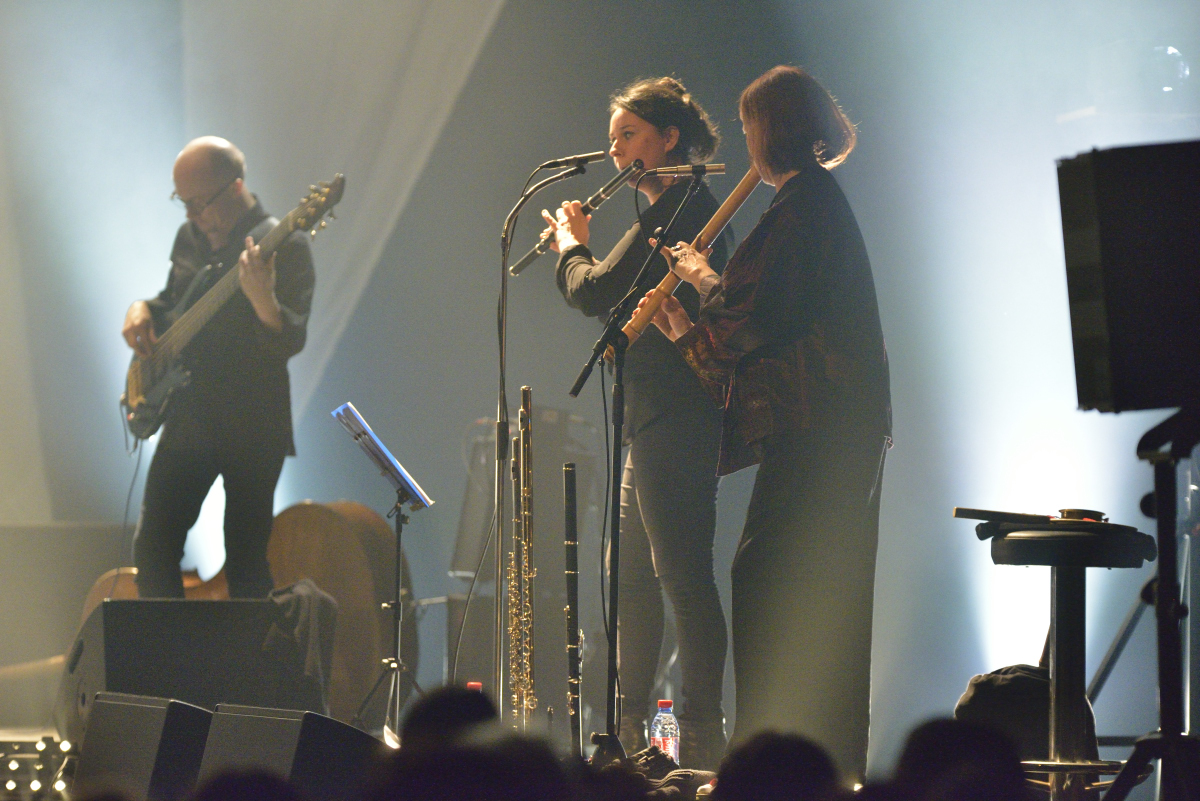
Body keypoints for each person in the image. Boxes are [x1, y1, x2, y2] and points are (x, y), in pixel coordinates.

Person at [644, 66, 891, 780]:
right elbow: (755, 314)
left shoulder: (805, 205)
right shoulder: (806, 203)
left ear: (772, 127)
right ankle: (800, 757)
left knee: (777, 579)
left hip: (825, 429)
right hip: (827, 430)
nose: (746, 138)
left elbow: (755, 317)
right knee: (798, 581)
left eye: (750, 123)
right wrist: (692, 312)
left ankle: (778, 764)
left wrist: (695, 304)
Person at [539, 77, 732, 768]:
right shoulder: (665, 207)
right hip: (650, 414)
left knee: (681, 573)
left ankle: (701, 736)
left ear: (668, 140)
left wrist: (568, 241)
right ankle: (629, 735)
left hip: (676, 416)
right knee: (634, 576)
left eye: (628, 136)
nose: (614, 150)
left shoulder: (683, 208)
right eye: (612, 137)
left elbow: (592, 291)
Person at [122, 136, 315, 599]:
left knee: (246, 559)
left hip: (253, 422)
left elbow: (292, 338)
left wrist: (263, 300)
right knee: (152, 547)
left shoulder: (287, 244)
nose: (190, 215)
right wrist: (141, 308)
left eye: (197, 203)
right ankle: (172, 664)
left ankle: (250, 671)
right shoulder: (189, 237)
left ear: (235, 187)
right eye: (181, 202)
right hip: (190, 414)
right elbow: (172, 304)